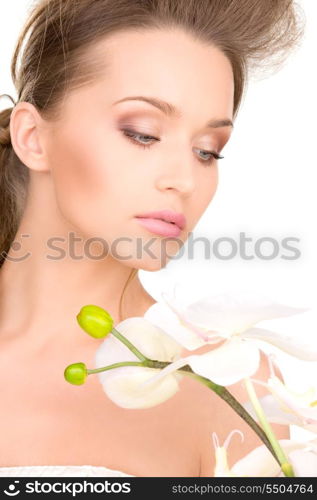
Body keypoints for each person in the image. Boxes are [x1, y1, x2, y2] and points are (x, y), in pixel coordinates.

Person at [0, 0, 304, 477]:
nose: (183, 179)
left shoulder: (226, 383)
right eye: (142, 134)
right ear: (33, 137)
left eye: (207, 151)